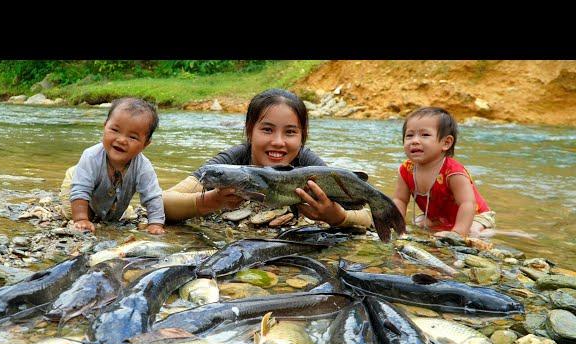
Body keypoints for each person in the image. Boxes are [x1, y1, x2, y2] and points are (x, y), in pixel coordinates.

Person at [162, 88, 373, 228]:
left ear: (302, 137)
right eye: (267, 130)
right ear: (250, 131)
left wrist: (338, 217)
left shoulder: (308, 164)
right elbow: (161, 202)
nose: (278, 142)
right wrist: (208, 202)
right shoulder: (231, 161)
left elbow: (367, 216)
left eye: (290, 132)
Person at [59, 97, 165, 234]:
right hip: (77, 181)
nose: (121, 140)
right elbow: (80, 189)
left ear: (145, 144)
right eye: (115, 130)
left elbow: (153, 196)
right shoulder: (91, 156)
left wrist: (156, 223)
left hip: (110, 194)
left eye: (132, 137)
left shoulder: (143, 166)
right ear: (105, 126)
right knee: (73, 213)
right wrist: (80, 219)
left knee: (110, 218)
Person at [392, 106, 495, 237]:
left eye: (425, 135)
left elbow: (467, 203)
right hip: (439, 217)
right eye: (409, 135)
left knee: (471, 232)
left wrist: (458, 233)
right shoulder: (406, 170)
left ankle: (506, 234)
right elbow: (400, 200)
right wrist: (396, 225)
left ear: (446, 143)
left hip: (475, 215)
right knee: (418, 223)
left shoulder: (453, 172)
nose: (415, 141)